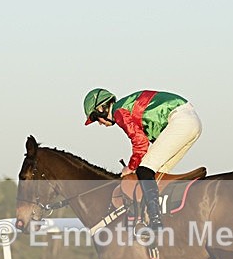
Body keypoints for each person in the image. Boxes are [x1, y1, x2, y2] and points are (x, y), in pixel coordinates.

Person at [83, 88, 202, 231]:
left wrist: (131, 167)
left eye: (96, 118)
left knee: (144, 170)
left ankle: (155, 221)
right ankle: (164, 216)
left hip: (180, 121)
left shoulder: (119, 111)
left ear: (101, 109)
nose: (100, 123)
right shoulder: (124, 106)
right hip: (190, 121)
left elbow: (140, 142)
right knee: (157, 173)